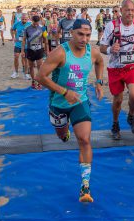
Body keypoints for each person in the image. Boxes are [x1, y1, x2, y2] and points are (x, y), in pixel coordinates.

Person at [36, 19, 105, 203]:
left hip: (80, 102)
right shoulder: (60, 53)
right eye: (80, 34)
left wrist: (98, 83)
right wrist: (64, 92)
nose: (84, 39)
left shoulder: (92, 52)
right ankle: (64, 131)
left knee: (84, 139)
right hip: (58, 103)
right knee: (62, 136)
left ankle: (85, 187)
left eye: (88, 35)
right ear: (72, 33)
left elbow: (100, 62)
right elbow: (40, 77)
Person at [100, 0, 134, 140]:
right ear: (121, 11)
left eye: (133, 10)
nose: (130, 13)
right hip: (115, 67)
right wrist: (111, 49)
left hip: (132, 66)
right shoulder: (112, 26)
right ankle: (115, 124)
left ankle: (131, 116)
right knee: (118, 100)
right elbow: (102, 48)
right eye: (127, 10)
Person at [23, 14, 48, 89]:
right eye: (34, 23)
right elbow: (24, 40)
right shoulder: (27, 28)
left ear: (39, 21)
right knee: (31, 66)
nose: (36, 24)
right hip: (30, 50)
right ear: (32, 21)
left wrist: (47, 50)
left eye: (37, 23)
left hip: (39, 49)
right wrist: (22, 51)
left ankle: (39, 82)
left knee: (39, 67)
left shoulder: (43, 28)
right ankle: (33, 81)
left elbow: (46, 39)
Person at [11, 13, 31, 79]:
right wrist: (13, 37)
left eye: (25, 19)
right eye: (23, 19)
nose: (24, 20)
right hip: (18, 44)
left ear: (28, 19)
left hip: (26, 45)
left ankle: (26, 73)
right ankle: (16, 72)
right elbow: (12, 29)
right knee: (16, 57)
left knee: (25, 59)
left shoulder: (30, 24)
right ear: (21, 18)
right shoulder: (17, 23)